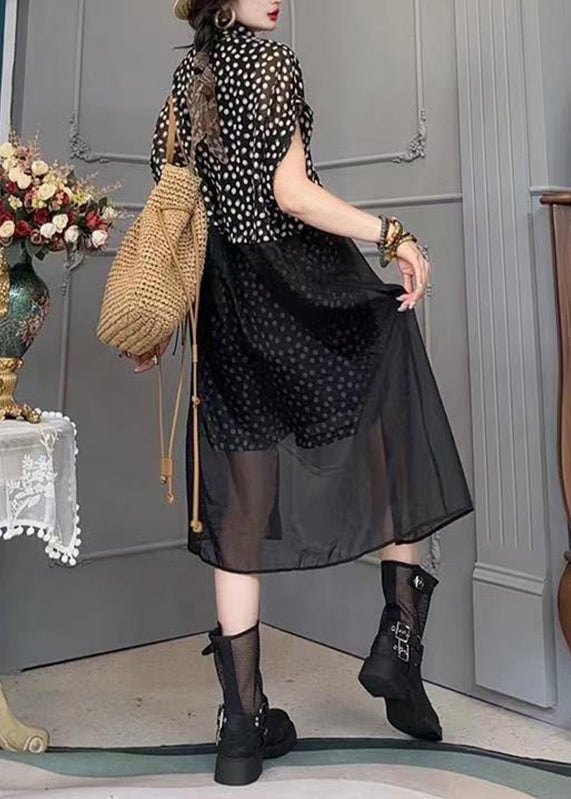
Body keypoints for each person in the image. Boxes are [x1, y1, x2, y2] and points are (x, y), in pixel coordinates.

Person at [140, 0, 474, 786]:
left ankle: (241, 725)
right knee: (390, 417)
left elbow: (174, 202)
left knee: (240, 501)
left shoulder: (185, 83)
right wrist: (391, 233)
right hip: (298, 287)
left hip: (227, 305)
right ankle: (398, 647)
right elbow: (291, 195)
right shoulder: (272, 62)